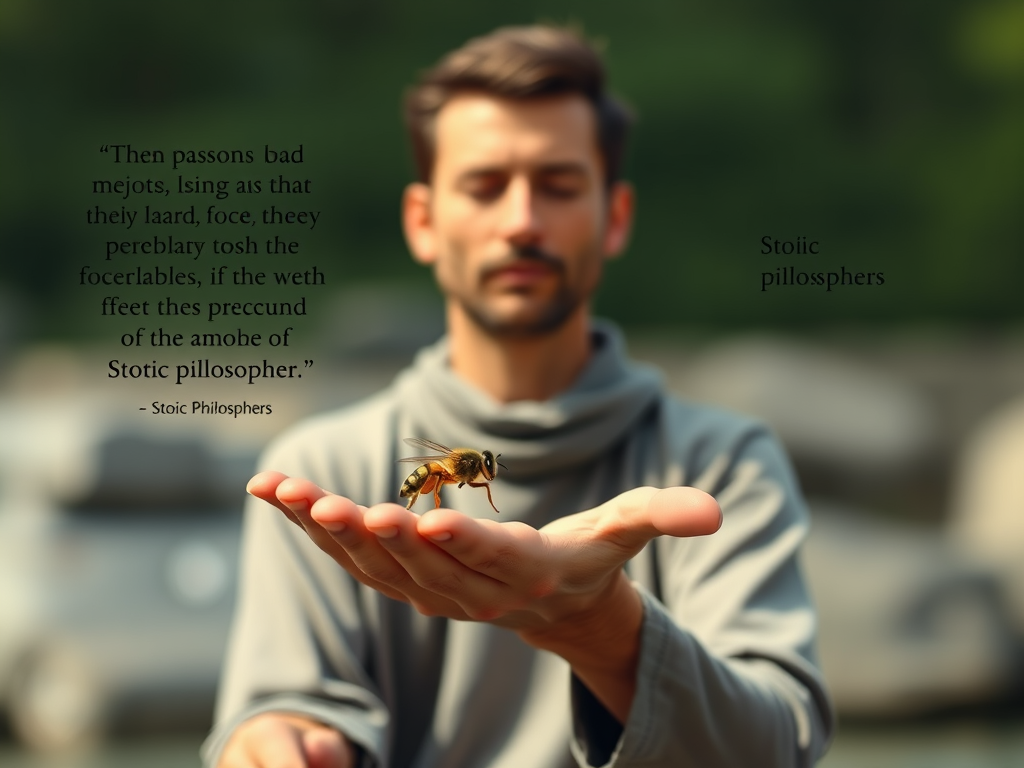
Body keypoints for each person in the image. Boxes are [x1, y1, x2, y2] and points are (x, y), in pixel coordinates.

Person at [203, 25, 834, 768]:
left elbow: (778, 746)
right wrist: (276, 741)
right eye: (484, 185)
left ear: (616, 217)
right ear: (423, 221)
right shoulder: (320, 465)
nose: (522, 221)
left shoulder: (723, 463)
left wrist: (603, 628)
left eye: (559, 185)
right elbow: (283, 704)